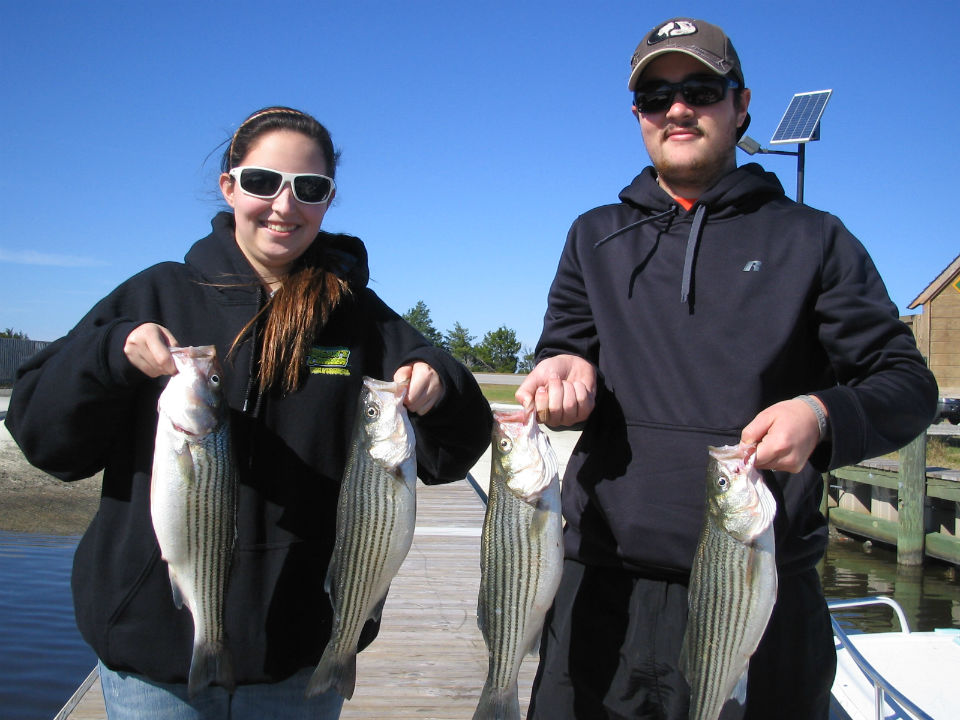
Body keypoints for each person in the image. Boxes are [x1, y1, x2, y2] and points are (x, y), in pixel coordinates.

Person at [4, 106, 492, 719]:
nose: (285, 206)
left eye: (310, 190)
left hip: (296, 654)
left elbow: (456, 448)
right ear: (229, 185)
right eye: (264, 182)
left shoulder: (358, 315)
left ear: (328, 201)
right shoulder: (157, 293)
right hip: (156, 658)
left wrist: (438, 385)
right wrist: (110, 354)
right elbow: (43, 436)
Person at [517, 17, 938, 720]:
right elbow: (566, 347)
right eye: (657, 97)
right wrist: (560, 369)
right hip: (601, 590)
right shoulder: (594, 235)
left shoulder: (816, 239)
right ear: (638, 117)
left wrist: (822, 414)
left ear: (741, 105)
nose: (678, 108)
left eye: (701, 89)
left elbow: (905, 385)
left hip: (759, 587)